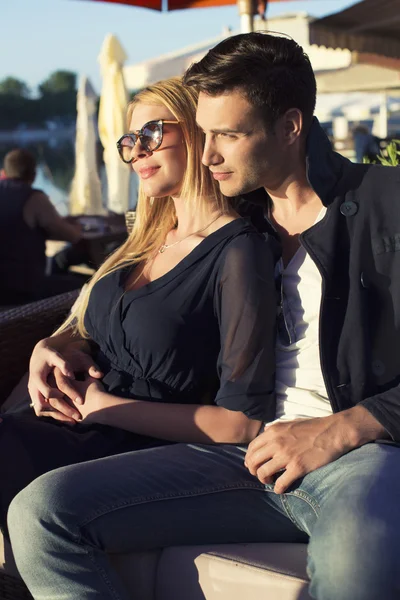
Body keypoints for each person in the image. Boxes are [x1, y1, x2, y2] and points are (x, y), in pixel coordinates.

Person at [8, 33, 400, 600]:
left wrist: (345, 427)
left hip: (353, 457)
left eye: (226, 135)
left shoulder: (387, 205)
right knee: (42, 513)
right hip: (236, 458)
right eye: (202, 133)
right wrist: (68, 338)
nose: (206, 152)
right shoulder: (239, 226)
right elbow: (149, 300)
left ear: (290, 127)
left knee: (359, 567)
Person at [5, 76, 277, 599]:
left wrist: (102, 407)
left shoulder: (239, 251)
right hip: (78, 424)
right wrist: (58, 345)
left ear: (198, 133)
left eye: (150, 133)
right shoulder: (144, 242)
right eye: (129, 142)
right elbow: (104, 327)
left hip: (141, 440)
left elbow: (241, 422)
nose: (136, 152)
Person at [0, 148, 84, 305]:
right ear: (33, 175)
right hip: (23, 289)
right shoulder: (33, 198)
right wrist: (78, 226)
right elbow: (72, 236)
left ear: (3, 172)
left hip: (4, 286)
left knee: (59, 264)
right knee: (86, 286)